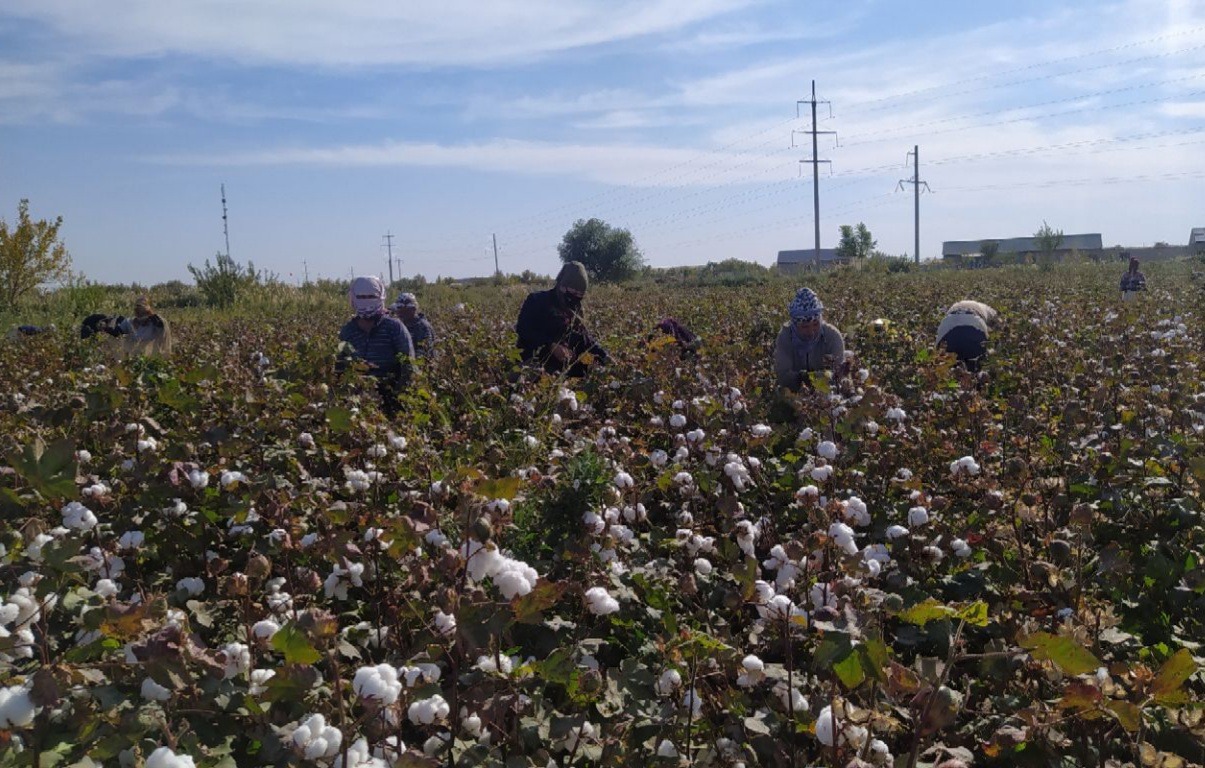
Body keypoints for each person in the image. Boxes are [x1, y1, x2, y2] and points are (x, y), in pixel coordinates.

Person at [515, 261, 610, 377]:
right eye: (573, 292)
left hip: (562, 368)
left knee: (593, 372)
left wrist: (606, 358)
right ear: (562, 286)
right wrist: (550, 345)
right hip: (534, 363)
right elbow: (523, 329)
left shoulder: (575, 312)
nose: (576, 297)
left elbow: (587, 341)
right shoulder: (537, 301)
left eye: (580, 295)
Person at [338, 276, 414, 416]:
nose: (366, 301)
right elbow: (340, 367)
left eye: (371, 296)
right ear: (353, 299)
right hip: (357, 400)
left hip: (390, 398)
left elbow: (408, 364)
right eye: (362, 297)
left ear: (381, 297)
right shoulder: (348, 331)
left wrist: (397, 396)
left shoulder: (394, 327)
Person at [774, 287, 845, 391]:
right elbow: (783, 376)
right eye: (805, 326)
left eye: (815, 324)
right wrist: (810, 378)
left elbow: (837, 375)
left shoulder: (832, 337)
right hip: (794, 394)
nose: (811, 331)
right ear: (795, 324)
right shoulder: (785, 337)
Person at [936, 300, 997, 372]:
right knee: (978, 362)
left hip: (948, 323)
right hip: (974, 321)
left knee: (942, 360)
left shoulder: (956, 305)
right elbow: (995, 317)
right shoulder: (987, 309)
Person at [390, 293, 436, 358]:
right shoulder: (400, 325)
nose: (400, 313)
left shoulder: (422, 326)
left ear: (414, 309)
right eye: (399, 308)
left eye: (405, 310)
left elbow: (425, 352)